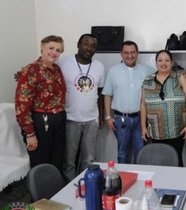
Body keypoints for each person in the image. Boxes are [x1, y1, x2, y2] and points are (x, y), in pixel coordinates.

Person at [14, 35, 66, 172]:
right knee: (41, 163)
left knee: (57, 160)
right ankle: (41, 193)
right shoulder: (31, 70)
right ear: (42, 48)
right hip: (40, 121)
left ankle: (56, 193)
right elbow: (22, 104)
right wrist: (30, 134)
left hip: (58, 118)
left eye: (58, 50)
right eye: (51, 48)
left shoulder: (57, 70)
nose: (54, 52)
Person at [58, 34, 105, 181]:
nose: (89, 48)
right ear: (78, 44)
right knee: (69, 162)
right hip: (70, 119)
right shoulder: (63, 63)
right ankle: (68, 190)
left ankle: (86, 186)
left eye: (93, 46)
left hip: (92, 120)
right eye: (86, 44)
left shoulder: (99, 66)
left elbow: (100, 93)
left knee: (89, 160)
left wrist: (102, 115)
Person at [102, 41, 154, 164]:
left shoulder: (148, 71)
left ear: (137, 53)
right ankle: (124, 181)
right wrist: (108, 117)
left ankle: (140, 181)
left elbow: (164, 72)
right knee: (122, 153)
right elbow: (107, 95)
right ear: (121, 54)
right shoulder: (113, 71)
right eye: (126, 53)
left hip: (141, 120)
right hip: (121, 120)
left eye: (132, 52)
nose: (129, 56)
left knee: (141, 153)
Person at [140, 50, 186, 167]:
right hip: (156, 132)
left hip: (178, 130)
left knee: (176, 160)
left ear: (172, 62)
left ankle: (178, 185)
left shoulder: (180, 78)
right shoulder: (147, 80)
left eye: (167, 60)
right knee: (159, 162)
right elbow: (143, 104)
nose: (163, 63)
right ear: (156, 62)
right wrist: (143, 127)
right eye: (160, 60)